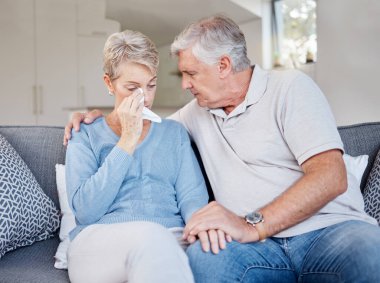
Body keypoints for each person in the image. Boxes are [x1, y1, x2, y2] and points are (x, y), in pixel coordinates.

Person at [64, 15, 380, 282]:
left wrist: (248, 224)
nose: (184, 85)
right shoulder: (194, 113)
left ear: (224, 66)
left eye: (190, 73)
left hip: (326, 230)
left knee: (369, 254)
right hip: (255, 249)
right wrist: (94, 118)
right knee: (207, 259)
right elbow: (142, 127)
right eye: (133, 88)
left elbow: (330, 176)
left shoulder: (290, 88)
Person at [65, 29, 210, 283]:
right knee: (152, 237)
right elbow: (86, 211)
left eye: (151, 85)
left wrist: (203, 232)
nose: (145, 98)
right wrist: (127, 140)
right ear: (109, 84)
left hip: (170, 237)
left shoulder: (173, 134)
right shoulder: (85, 134)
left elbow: (193, 200)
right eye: (132, 87)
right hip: (99, 244)